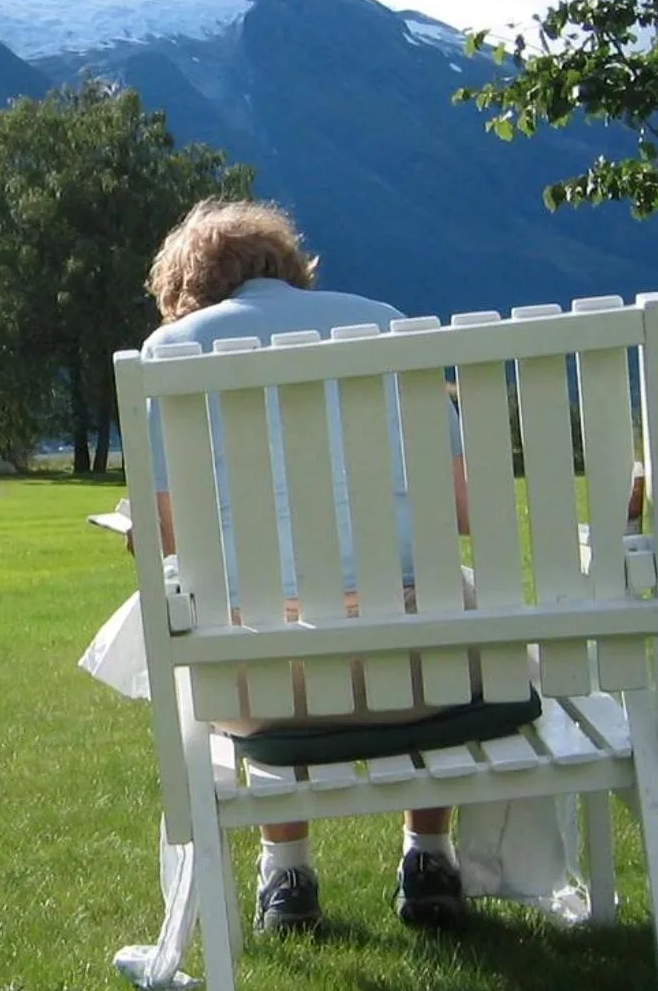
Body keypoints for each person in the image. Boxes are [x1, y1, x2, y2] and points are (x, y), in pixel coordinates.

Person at [141, 197, 472, 935]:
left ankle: (287, 876)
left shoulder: (171, 356)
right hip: (429, 678)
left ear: (187, 289)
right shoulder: (389, 323)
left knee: (248, 611)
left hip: (268, 688)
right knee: (437, 594)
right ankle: (429, 853)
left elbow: (173, 541)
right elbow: (462, 511)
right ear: (291, 270)